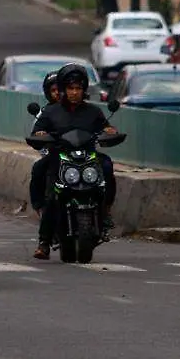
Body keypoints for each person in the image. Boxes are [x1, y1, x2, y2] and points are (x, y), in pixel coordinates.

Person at [29, 64, 118, 259]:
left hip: (88, 158)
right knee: (52, 196)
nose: (75, 93)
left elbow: (105, 128)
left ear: (84, 90)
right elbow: (37, 132)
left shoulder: (93, 111)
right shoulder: (51, 112)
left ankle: (106, 210)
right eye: (71, 88)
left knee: (107, 165)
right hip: (60, 158)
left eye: (78, 88)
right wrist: (40, 134)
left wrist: (110, 131)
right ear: (63, 89)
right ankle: (44, 241)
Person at [27, 72, 62, 219]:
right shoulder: (45, 113)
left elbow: (99, 125)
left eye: (60, 90)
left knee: (105, 165)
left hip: (82, 154)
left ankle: (105, 209)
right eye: (53, 91)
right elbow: (36, 135)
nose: (58, 94)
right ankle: (41, 208)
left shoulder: (85, 109)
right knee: (38, 169)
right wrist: (41, 137)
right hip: (57, 155)